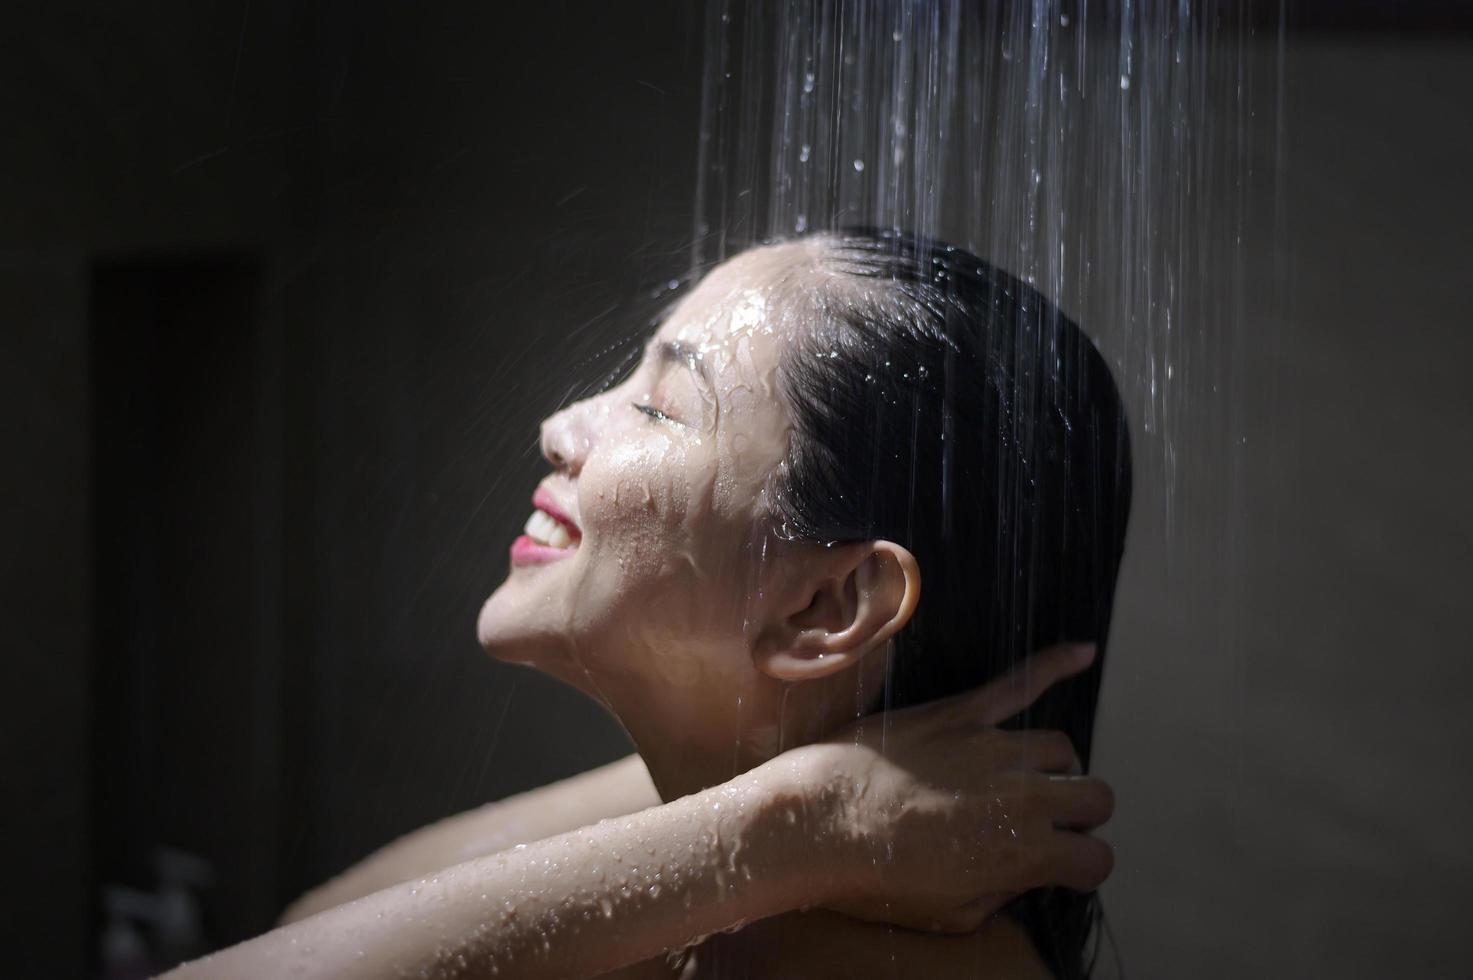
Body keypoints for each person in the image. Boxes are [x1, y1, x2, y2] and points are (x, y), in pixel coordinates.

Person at [168, 228, 1131, 979]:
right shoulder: (745, 904)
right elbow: (307, 936)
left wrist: (805, 820)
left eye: (659, 406)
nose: (559, 427)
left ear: (827, 605)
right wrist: (799, 811)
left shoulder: (809, 958)